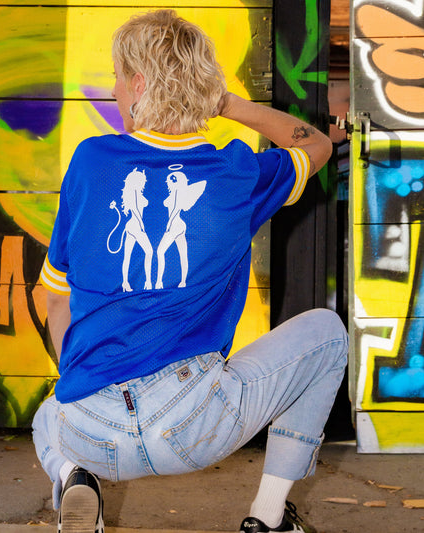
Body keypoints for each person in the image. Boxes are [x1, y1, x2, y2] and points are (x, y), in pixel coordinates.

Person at [33, 9, 347, 533]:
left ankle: (74, 476)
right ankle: (269, 518)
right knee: (327, 334)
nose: (113, 91)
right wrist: (227, 103)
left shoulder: (90, 162)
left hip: (90, 429)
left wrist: (84, 379)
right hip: (191, 425)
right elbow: (315, 143)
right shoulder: (236, 172)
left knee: (50, 416)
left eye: (117, 77)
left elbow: (53, 298)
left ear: (138, 84)